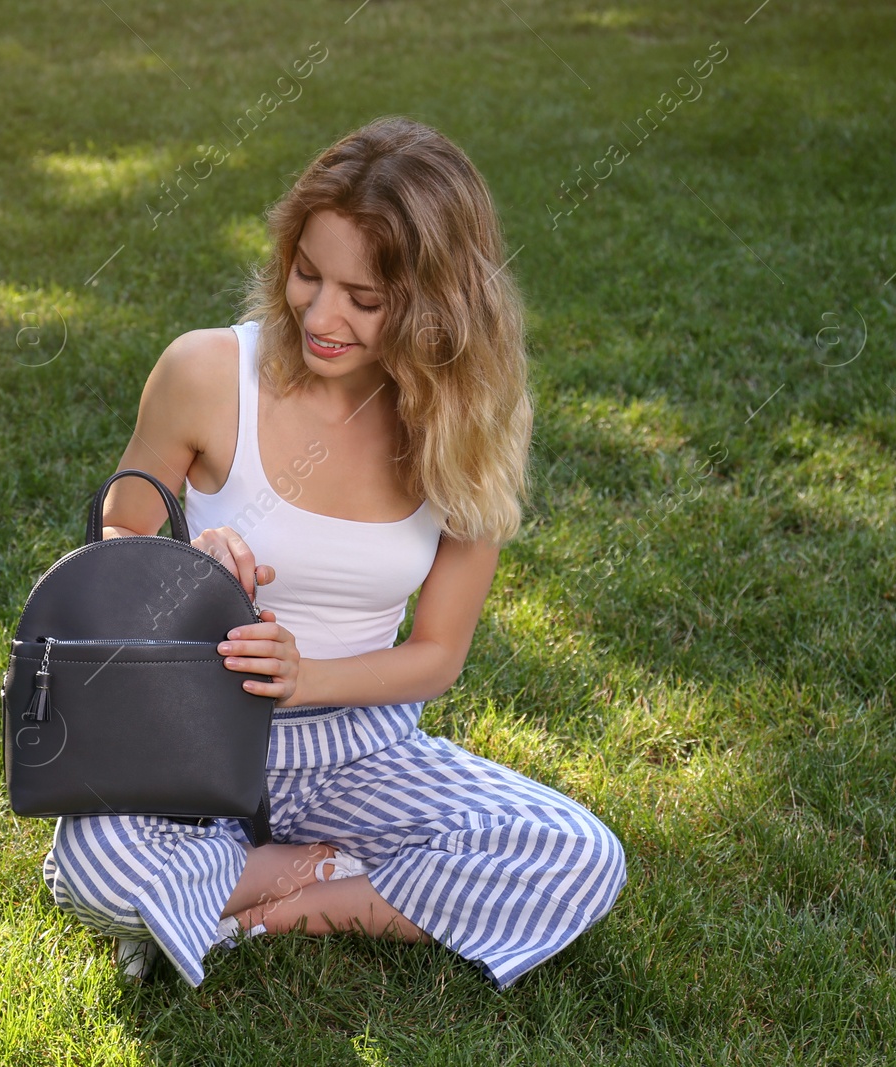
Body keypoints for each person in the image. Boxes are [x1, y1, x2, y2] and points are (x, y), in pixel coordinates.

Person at [41, 115, 626, 989]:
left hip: (361, 752)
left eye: (365, 297)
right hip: (193, 734)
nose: (320, 314)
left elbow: (435, 656)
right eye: (307, 274)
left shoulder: (469, 427)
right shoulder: (205, 371)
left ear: (439, 301)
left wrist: (305, 677)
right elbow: (117, 535)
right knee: (90, 860)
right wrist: (188, 560)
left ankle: (264, 911)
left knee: (580, 855)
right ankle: (322, 873)